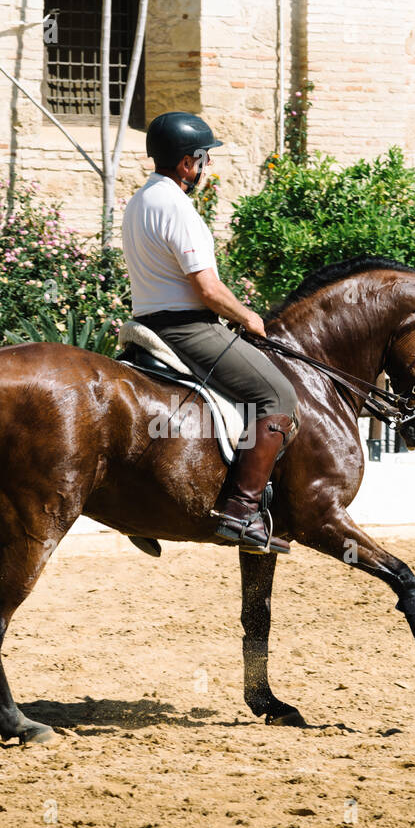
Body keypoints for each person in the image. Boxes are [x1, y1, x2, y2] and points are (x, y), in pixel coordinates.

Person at [121, 111, 300, 554]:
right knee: (278, 397)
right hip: (187, 328)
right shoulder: (177, 207)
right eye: (204, 160)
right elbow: (207, 288)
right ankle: (242, 511)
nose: (205, 169)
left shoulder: (139, 200)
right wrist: (246, 316)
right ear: (187, 163)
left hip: (144, 324)